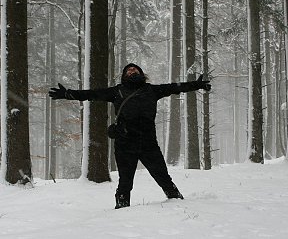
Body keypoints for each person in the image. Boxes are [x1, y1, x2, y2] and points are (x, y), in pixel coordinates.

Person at [49, 63, 211, 209]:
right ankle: (122, 210)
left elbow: (176, 87)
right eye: (128, 70)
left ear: (141, 73)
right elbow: (91, 94)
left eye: (135, 69)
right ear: (124, 76)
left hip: (148, 143)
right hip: (125, 144)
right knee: (125, 181)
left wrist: (197, 85)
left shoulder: (151, 90)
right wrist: (68, 94)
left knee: (162, 176)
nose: (132, 71)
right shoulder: (117, 91)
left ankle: (177, 202)